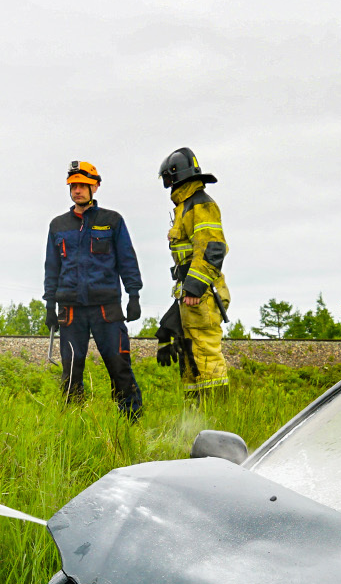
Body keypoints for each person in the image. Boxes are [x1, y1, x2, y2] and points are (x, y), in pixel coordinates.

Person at [43, 161, 143, 418]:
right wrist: (49, 305)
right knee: (71, 369)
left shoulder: (112, 221)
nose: (77, 190)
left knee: (119, 364)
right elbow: (51, 267)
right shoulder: (58, 225)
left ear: (95, 186)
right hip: (71, 309)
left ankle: (131, 418)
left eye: (83, 185)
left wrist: (134, 295)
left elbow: (127, 260)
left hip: (106, 308)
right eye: (74, 186)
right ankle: (73, 422)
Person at [155, 148, 229, 395]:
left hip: (203, 293)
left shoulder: (200, 205)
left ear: (175, 176)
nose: (167, 186)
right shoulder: (185, 206)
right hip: (191, 293)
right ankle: (196, 419)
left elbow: (212, 248)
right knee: (190, 356)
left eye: (167, 179)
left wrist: (195, 287)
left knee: (205, 354)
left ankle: (217, 419)